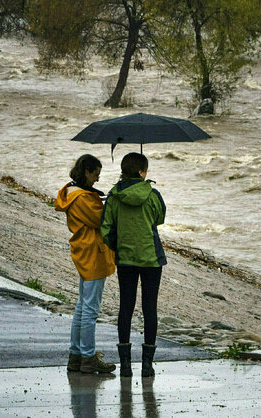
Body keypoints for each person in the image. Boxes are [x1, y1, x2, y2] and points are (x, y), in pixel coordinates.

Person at [101, 152, 166, 377]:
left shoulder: (114, 196)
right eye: (145, 170)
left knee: (125, 308)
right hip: (151, 259)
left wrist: (118, 247)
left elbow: (106, 228)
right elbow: (160, 218)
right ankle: (147, 365)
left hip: (126, 259)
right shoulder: (153, 194)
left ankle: (126, 365)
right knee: (150, 308)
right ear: (141, 172)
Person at [55, 154, 117, 374]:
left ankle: (76, 356)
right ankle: (88, 358)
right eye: (96, 175)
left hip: (84, 250)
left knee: (82, 308)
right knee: (90, 310)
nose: (97, 180)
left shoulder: (71, 192)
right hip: (93, 253)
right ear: (87, 172)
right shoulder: (83, 198)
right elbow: (102, 220)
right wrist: (111, 202)